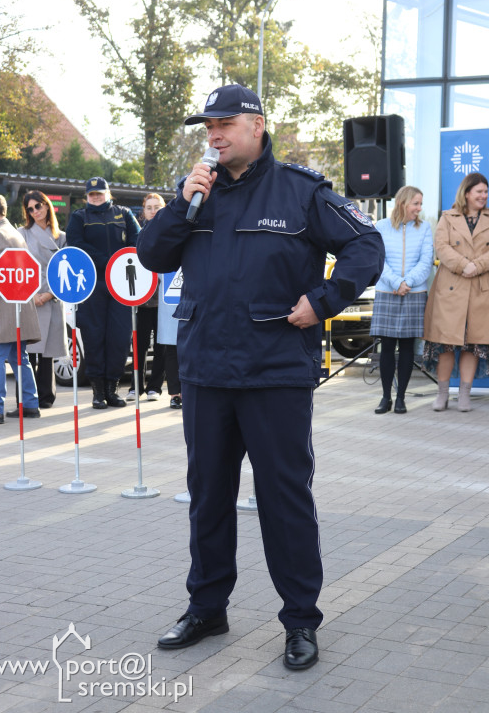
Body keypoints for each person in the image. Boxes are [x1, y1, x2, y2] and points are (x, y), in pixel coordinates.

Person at [137, 83, 384, 670]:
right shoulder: (195, 193)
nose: (215, 135)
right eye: (208, 127)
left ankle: (300, 620)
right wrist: (182, 204)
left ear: (258, 125)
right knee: (208, 497)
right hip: (205, 373)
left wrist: (323, 301)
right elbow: (151, 255)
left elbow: (366, 247)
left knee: (284, 499)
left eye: (225, 124)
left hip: (275, 372)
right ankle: (207, 607)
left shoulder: (300, 192)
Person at [66, 177, 140, 409]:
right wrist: (107, 261)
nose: (96, 197)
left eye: (100, 193)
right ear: (86, 196)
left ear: (108, 193)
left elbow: (139, 240)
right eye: (92, 194)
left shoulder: (124, 213)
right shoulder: (79, 217)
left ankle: (112, 388)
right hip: (93, 284)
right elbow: (75, 243)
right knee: (94, 337)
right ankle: (98, 391)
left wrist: (122, 260)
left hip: (120, 285)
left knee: (119, 338)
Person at [423, 171, 489, 412]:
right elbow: (441, 246)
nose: (484, 196)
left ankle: (464, 395)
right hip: (451, 289)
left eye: (486, 191)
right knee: (446, 344)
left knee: (473, 343)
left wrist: (477, 266)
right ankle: (442, 395)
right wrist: (464, 265)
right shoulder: (448, 218)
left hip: (480, 289)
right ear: (467, 193)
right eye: (480, 191)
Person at [0, 194, 41, 425]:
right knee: (18, 356)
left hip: (4, 307)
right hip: (21, 305)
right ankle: (30, 403)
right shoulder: (14, 232)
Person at [370, 186, 433, 414]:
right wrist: (396, 283)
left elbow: (426, 261)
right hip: (388, 291)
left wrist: (407, 283)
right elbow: (378, 260)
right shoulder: (382, 227)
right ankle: (385, 397)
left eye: (420, 204)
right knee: (387, 346)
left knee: (407, 346)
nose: (419, 208)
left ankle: (401, 398)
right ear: (403, 203)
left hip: (414, 293)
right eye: (416, 203)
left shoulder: (425, 228)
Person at [18, 191, 68, 408]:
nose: (35, 211)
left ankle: (46, 396)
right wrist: (31, 295)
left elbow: (66, 268)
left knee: (47, 352)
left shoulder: (62, 236)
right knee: (27, 352)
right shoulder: (21, 234)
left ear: (47, 205)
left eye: (38, 206)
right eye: (30, 208)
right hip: (28, 296)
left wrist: (49, 294)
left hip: (53, 295)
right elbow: (17, 267)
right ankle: (26, 398)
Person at [126, 193, 167, 403]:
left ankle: (155, 387)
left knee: (162, 345)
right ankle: (136, 386)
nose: (153, 210)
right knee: (139, 344)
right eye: (149, 207)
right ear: (144, 211)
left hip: (164, 300)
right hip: (142, 301)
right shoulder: (139, 235)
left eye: (156, 207)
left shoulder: (170, 232)